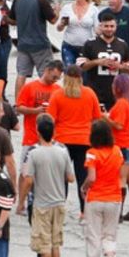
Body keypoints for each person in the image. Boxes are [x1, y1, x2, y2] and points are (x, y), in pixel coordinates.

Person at [17, 115, 75, 257]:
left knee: (44, 246)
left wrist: (21, 202)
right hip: (59, 202)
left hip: (42, 204)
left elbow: (28, 180)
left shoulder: (34, 152)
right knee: (55, 244)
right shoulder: (63, 150)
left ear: (38, 131)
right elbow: (71, 178)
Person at [46, 65, 102, 214]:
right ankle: (84, 211)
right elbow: (97, 117)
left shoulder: (58, 95)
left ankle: (59, 210)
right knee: (82, 177)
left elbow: (50, 119)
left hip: (63, 141)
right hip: (84, 141)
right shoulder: (89, 93)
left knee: (60, 178)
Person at [82, 119, 127, 257]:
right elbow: (121, 173)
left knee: (93, 236)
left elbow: (91, 178)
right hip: (114, 197)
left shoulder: (92, 153)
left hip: (96, 197)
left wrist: (83, 188)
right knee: (110, 235)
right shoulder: (117, 151)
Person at [78, 11, 129, 109]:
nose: (109, 29)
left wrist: (119, 66)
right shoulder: (90, 44)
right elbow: (81, 66)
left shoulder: (122, 44)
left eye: (112, 26)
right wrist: (98, 62)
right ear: (100, 26)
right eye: (106, 26)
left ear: (116, 27)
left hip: (115, 92)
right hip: (94, 90)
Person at [107, 73, 129, 222]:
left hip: (123, 145)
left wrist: (105, 118)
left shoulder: (121, 103)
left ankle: (118, 214)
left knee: (120, 178)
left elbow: (119, 125)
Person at [16, 60, 64, 166]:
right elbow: (19, 108)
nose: (55, 80)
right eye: (54, 77)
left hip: (51, 140)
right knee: (25, 171)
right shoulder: (30, 87)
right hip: (31, 138)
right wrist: (35, 111)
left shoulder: (58, 90)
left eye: (58, 78)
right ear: (47, 71)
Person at [13, 0, 57, 88]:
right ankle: (47, 102)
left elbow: (11, 20)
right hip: (40, 45)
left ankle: (18, 102)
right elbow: (53, 20)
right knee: (47, 74)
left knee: (21, 74)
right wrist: (57, 11)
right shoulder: (42, 0)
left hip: (23, 44)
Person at [57, 0, 98, 67]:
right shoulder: (67, 7)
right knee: (69, 71)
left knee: (84, 73)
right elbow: (59, 28)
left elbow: (97, 29)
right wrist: (62, 24)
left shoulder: (93, 9)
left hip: (85, 47)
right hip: (69, 45)